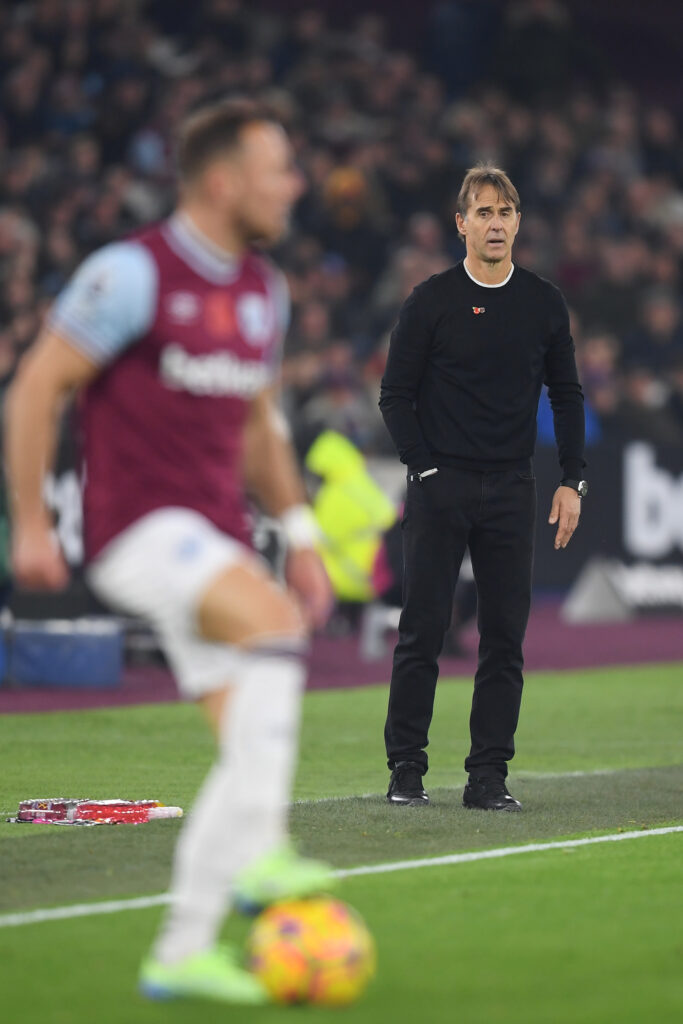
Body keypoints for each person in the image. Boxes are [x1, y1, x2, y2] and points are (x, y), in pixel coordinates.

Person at [4, 99, 335, 1005]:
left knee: (247, 745)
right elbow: (36, 387)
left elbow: (261, 426)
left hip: (215, 535)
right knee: (272, 624)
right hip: (134, 532)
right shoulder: (132, 275)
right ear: (223, 182)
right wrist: (30, 523)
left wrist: (300, 533)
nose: (294, 185)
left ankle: (181, 951)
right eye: (279, 169)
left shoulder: (264, 290)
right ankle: (263, 854)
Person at [379, 163, 586, 811]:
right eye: (484, 212)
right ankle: (406, 769)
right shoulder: (431, 299)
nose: (495, 224)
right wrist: (425, 469)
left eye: (506, 212)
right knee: (422, 631)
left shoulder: (543, 302)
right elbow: (394, 396)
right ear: (461, 224)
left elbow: (566, 393)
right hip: (441, 486)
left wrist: (571, 479)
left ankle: (487, 776)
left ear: (518, 222)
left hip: (510, 489)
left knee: (504, 639)